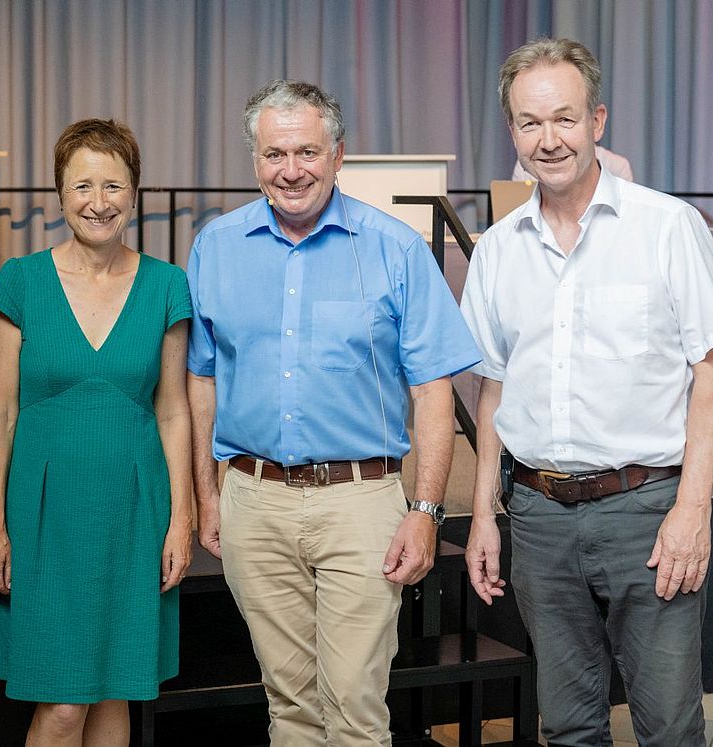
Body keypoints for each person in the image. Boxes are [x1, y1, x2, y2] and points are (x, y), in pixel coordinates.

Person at [460, 38, 713, 746]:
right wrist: (485, 513)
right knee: (570, 726)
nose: (549, 140)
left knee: (669, 728)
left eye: (565, 118)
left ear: (598, 121)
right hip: (540, 516)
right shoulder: (495, 250)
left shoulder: (667, 228)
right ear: (512, 132)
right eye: (530, 122)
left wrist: (691, 509)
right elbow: (493, 387)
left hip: (647, 513)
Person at [187, 80, 481, 746]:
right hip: (253, 501)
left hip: (360, 503)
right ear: (255, 159)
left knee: (353, 706)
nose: (291, 170)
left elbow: (434, 391)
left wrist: (426, 510)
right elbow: (199, 381)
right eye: (275, 154)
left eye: (308, 152)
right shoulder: (217, 247)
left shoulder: (395, 249)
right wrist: (207, 494)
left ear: (339, 154)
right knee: (288, 702)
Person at [0, 118, 192, 746]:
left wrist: (180, 519)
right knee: (63, 703)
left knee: (116, 690)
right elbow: (0, 411)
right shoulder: (21, 281)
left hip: (133, 507)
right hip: (45, 515)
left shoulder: (166, 285)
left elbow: (174, 410)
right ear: (59, 193)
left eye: (113, 186)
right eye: (82, 187)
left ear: (134, 193)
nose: (98, 202)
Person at [513, 143, 633, 182]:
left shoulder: (618, 166)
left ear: (595, 123)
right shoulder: (525, 165)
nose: (550, 144)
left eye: (566, 120)